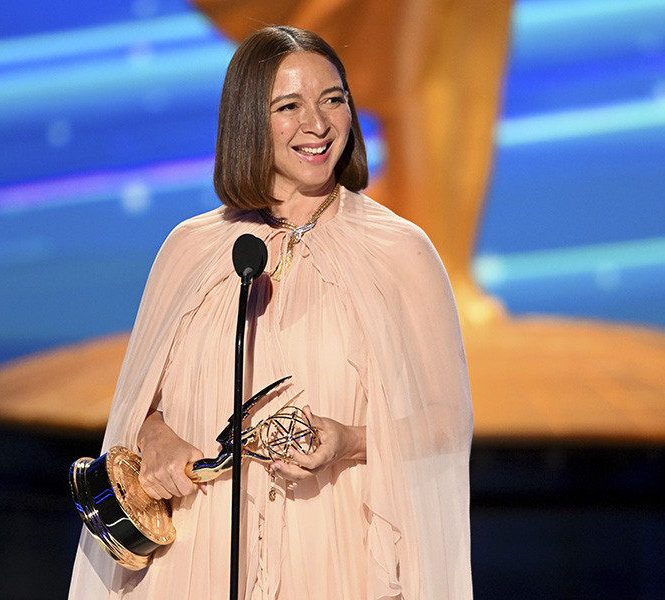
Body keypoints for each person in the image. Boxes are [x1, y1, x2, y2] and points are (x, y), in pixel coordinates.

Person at [69, 25, 473, 600]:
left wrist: (351, 440)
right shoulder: (192, 249)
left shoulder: (400, 252)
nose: (318, 124)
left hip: (331, 558)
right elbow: (142, 407)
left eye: (333, 100)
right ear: (249, 123)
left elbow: (446, 423)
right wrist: (154, 440)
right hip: (195, 560)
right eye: (289, 106)